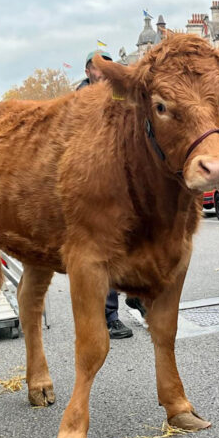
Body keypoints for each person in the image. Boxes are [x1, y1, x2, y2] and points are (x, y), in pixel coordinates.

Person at [77, 50, 136, 339]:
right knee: (102, 251)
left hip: (120, 182)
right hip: (93, 186)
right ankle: (108, 317)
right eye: (100, 68)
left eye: (110, 68)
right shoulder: (80, 100)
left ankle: (135, 293)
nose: (105, 73)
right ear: (89, 71)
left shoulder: (123, 96)